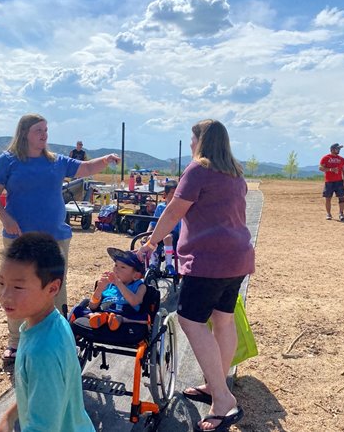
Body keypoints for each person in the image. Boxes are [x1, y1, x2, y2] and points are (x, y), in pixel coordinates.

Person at [137, 119, 254, 432]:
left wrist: (149, 242)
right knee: (223, 320)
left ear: (200, 141)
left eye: (192, 138)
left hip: (209, 261)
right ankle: (217, 384)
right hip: (238, 258)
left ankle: (223, 400)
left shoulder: (198, 169)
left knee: (189, 320)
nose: (190, 144)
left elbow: (174, 210)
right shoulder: (235, 172)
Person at [0, 113, 120, 361]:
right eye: (39, 130)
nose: (45, 135)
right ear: (25, 133)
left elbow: (86, 168)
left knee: (54, 288)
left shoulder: (56, 161)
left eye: (46, 130)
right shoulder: (8, 161)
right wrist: (5, 218)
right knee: (16, 288)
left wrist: (106, 160)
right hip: (20, 237)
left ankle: (55, 339)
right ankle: (16, 342)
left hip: (55, 238)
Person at [0, 232, 95, 432]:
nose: (5, 295)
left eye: (17, 287)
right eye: (1, 283)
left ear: (52, 289)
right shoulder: (54, 323)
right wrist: (9, 416)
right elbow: (41, 392)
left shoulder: (42, 351)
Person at [69, 248, 148, 331]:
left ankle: (118, 319)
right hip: (104, 311)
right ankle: (94, 316)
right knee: (78, 310)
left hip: (126, 313)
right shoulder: (109, 284)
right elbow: (92, 306)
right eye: (116, 265)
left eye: (122, 267)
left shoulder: (140, 286)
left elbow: (135, 302)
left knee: (145, 318)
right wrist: (99, 288)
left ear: (136, 276)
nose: (116, 269)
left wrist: (119, 284)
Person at [145, 180, 180, 276]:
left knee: (167, 237)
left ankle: (169, 265)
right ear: (165, 194)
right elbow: (153, 223)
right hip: (160, 233)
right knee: (150, 238)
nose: (175, 196)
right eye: (173, 193)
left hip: (174, 235)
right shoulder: (161, 207)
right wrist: (148, 233)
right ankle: (154, 262)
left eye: (177, 193)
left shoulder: (179, 208)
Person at [319, 143, 344, 221]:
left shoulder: (341, 159)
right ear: (332, 149)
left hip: (339, 181)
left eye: (339, 149)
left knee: (341, 197)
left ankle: (341, 213)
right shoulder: (326, 158)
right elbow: (321, 168)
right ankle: (328, 214)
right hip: (329, 181)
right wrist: (330, 169)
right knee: (328, 198)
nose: (339, 150)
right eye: (337, 148)